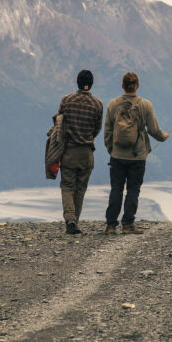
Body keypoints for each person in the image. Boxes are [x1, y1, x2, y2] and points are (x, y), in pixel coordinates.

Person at [104, 72, 169, 235]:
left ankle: (111, 225)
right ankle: (127, 224)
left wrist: (111, 149)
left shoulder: (113, 104)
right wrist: (163, 137)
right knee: (133, 189)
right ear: (137, 85)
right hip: (137, 155)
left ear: (122, 86)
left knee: (116, 189)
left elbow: (108, 131)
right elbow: (153, 130)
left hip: (117, 155)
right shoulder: (145, 105)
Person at [57, 70, 103, 235]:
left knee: (68, 186)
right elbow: (97, 129)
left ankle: (69, 218)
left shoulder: (67, 100)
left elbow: (59, 123)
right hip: (87, 153)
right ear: (91, 84)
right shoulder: (98, 104)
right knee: (80, 188)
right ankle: (74, 221)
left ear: (77, 83)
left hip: (69, 151)